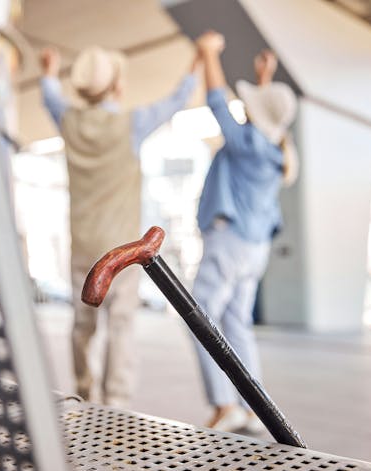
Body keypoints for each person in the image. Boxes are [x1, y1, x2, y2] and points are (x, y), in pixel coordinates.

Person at [39, 45, 199, 407]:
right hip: (123, 249)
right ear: (117, 87)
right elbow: (178, 98)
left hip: (82, 243)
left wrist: (49, 69)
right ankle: (116, 401)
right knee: (121, 324)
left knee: (82, 325)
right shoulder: (132, 123)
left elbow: (49, 93)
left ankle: (84, 391)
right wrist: (199, 59)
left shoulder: (67, 119)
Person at [192, 31, 298, 432]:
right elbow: (265, 116)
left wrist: (208, 54)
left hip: (230, 242)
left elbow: (217, 101)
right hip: (255, 250)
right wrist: (264, 80)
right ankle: (254, 408)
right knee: (237, 321)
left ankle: (223, 405)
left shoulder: (248, 144)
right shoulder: (275, 149)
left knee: (200, 312)